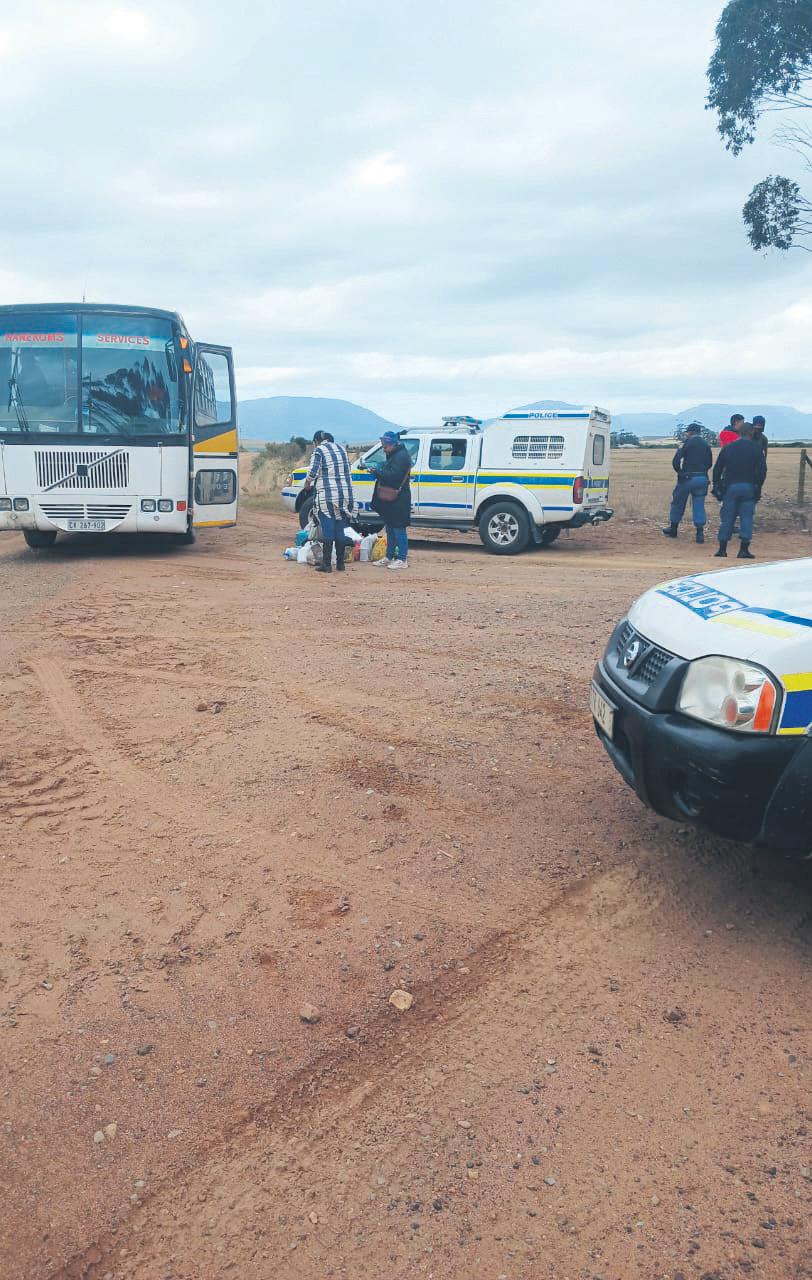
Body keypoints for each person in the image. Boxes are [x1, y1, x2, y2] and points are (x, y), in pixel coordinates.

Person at [303, 430, 356, 575]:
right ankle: (340, 563)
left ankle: (326, 564)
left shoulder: (319, 450)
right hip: (345, 495)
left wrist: (307, 484)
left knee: (328, 528)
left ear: (316, 441)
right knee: (339, 528)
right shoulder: (342, 449)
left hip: (327, 495)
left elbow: (313, 471)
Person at [711, 421, 767, 559]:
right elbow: (762, 471)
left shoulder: (728, 448)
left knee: (728, 518)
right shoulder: (755, 448)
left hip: (730, 487)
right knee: (746, 517)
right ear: (751, 432)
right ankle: (743, 549)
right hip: (749, 487)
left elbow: (717, 469)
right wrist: (758, 486)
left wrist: (717, 486)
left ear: (738, 433)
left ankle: (722, 549)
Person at [661, 422, 713, 543]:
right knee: (698, 505)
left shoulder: (686, 443)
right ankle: (699, 533)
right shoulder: (706, 445)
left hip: (687, 478)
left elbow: (676, 461)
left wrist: (680, 472)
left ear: (690, 432)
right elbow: (710, 463)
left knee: (678, 502)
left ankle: (673, 529)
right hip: (702, 478)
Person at [368, 431, 412, 570]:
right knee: (390, 528)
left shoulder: (401, 457)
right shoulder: (395, 454)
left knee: (399, 528)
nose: (383, 449)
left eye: (385, 446)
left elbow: (394, 477)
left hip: (399, 498)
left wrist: (377, 472)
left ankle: (402, 559)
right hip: (392, 499)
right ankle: (389, 556)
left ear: (392, 444)